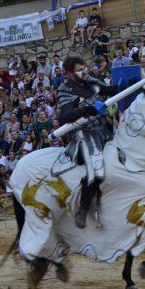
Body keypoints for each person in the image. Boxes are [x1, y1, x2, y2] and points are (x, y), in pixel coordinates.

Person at [57, 56, 117, 228]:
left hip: (105, 130)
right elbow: (65, 116)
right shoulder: (65, 89)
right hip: (85, 134)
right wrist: (87, 109)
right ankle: (83, 209)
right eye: (79, 69)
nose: (84, 71)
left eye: (85, 68)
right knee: (97, 167)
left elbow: (109, 90)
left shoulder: (91, 81)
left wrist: (127, 85)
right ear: (69, 74)